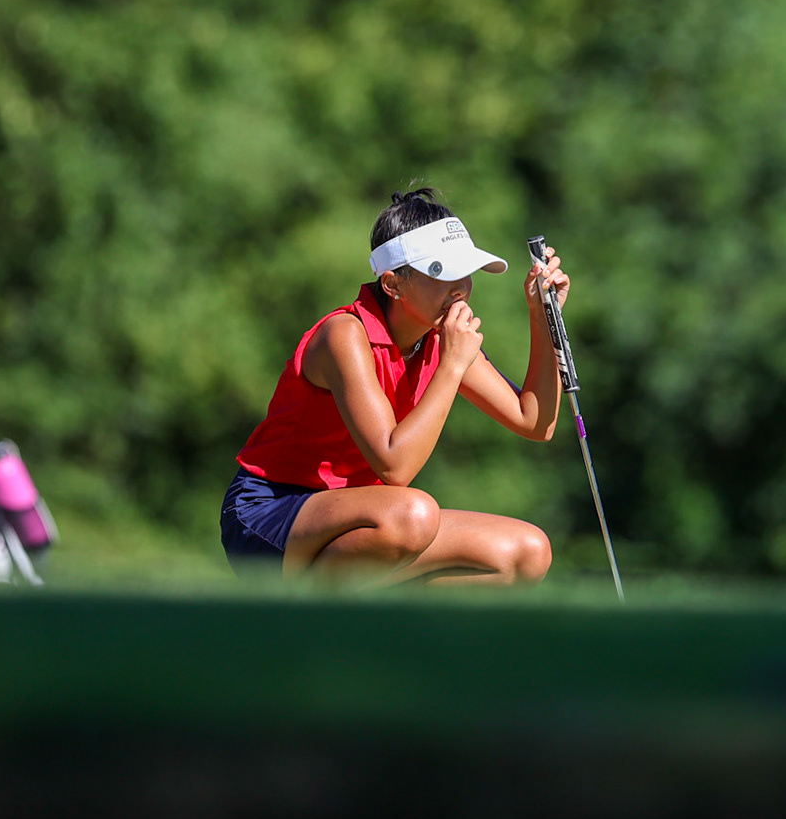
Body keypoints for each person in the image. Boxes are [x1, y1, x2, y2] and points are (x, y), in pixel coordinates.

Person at [220, 188, 567, 584]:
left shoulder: (439, 339)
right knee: (413, 514)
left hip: (368, 525)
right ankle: (300, 628)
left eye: (465, 273)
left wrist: (540, 317)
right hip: (272, 512)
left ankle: (378, 635)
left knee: (527, 552)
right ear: (392, 284)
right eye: (442, 273)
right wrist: (452, 367)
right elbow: (395, 467)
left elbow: (536, 422)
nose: (461, 288)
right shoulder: (344, 335)